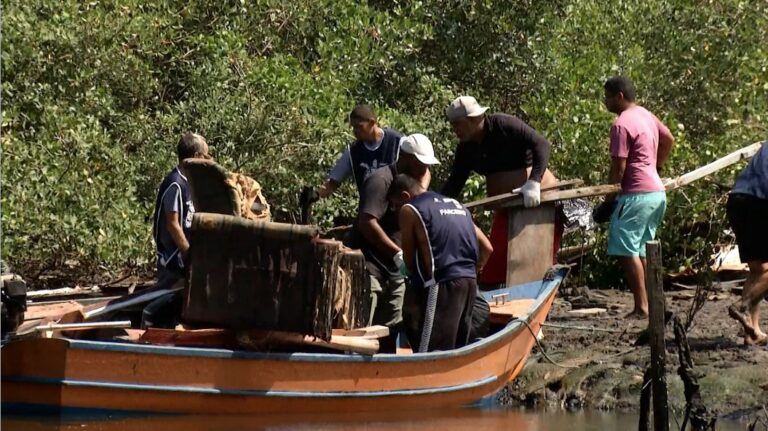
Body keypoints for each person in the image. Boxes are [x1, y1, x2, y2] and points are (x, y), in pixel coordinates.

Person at [442, 96, 558, 287]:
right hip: (506, 208)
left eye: (458, 125)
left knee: (530, 262)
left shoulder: (503, 125)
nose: (455, 130)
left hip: (537, 202)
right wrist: (433, 203)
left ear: (473, 119)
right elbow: (455, 183)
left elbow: (542, 144)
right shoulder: (466, 148)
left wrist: (534, 181)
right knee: (495, 265)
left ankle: (533, 301)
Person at [390, 174, 493, 352]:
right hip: (469, 284)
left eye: (395, 205)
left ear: (405, 197)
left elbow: (409, 263)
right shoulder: (458, 206)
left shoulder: (410, 209)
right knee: (458, 350)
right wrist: (472, 269)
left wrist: (404, 267)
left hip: (442, 284)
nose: (397, 210)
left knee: (430, 352)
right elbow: (487, 248)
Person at [355, 133, 438, 352]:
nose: (424, 170)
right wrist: (395, 252)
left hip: (397, 270)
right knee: (364, 328)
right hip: (371, 268)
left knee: (392, 329)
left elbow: (425, 177)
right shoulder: (380, 180)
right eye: (420, 164)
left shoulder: (414, 180)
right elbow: (367, 222)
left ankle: (385, 378)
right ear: (407, 159)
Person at [600, 76, 674, 319]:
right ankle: (652, 305)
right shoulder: (646, 115)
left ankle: (642, 307)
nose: (605, 101)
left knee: (625, 250)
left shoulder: (621, 124)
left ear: (619, 96)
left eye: (608, 96)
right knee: (641, 250)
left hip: (636, 195)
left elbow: (618, 169)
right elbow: (668, 139)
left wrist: (609, 201)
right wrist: (657, 167)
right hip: (656, 195)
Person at [143, 132, 211, 328]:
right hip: (173, 258)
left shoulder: (190, 181)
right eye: (205, 156)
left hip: (185, 256)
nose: (207, 161)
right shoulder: (175, 183)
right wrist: (187, 253)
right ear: (196, 157)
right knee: (168, 299)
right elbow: (172, 223)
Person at [302, 105, 402, 204]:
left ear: (372, 122)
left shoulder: (397, 142)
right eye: (353, 127)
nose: (355, 131)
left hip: (394, 208)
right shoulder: (354, 151)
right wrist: (316, 194)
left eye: (359, 126)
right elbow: (333, 182)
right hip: (369, 210)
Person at [727, 141, 768, 345]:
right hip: (760, 201)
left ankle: (752, 332)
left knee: (758, 269)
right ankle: (742, 304)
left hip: (738, 199)